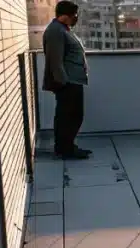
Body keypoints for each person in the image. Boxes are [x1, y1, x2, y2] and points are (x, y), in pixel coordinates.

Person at [43, 1, 91, 160]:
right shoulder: (55, 31)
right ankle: (65, 149)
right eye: (74, 15)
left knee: (73, 115)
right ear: (65, 15)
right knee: (68, 116)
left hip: (73, 81)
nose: (76, 18)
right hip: (67, 82)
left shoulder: (63, 29)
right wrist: (63, 82)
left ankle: (67, 145)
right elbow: (55, 60)